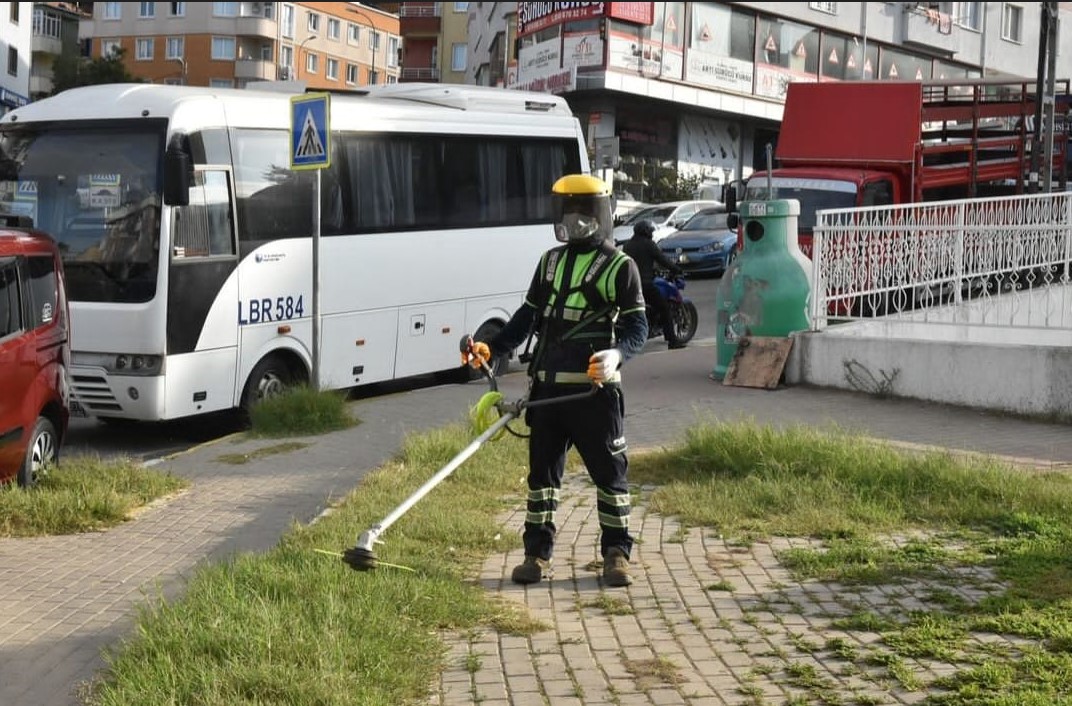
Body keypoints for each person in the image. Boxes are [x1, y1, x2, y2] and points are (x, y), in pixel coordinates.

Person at [462, 174, 648, 588]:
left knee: (610, 477)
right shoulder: (549, 262)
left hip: (593, 393)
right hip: (546, 392)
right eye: (567, 212)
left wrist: (617, 356)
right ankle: (536, 556)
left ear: (600, 213)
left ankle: (616, 554)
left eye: (583, 213)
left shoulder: (621, 267)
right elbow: (526, 318)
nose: (575, 222)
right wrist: (493, 346)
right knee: (542, 480)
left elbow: (639, 328)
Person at [622, 218, 687, 349]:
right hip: (645, 285)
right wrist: (677, 269)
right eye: (650, 231)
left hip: (629, 284)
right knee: (664, 308)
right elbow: (662, 259)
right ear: (646, 231)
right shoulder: (648, 244)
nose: (651, 233)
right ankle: (672, 341)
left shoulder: (627, 245)